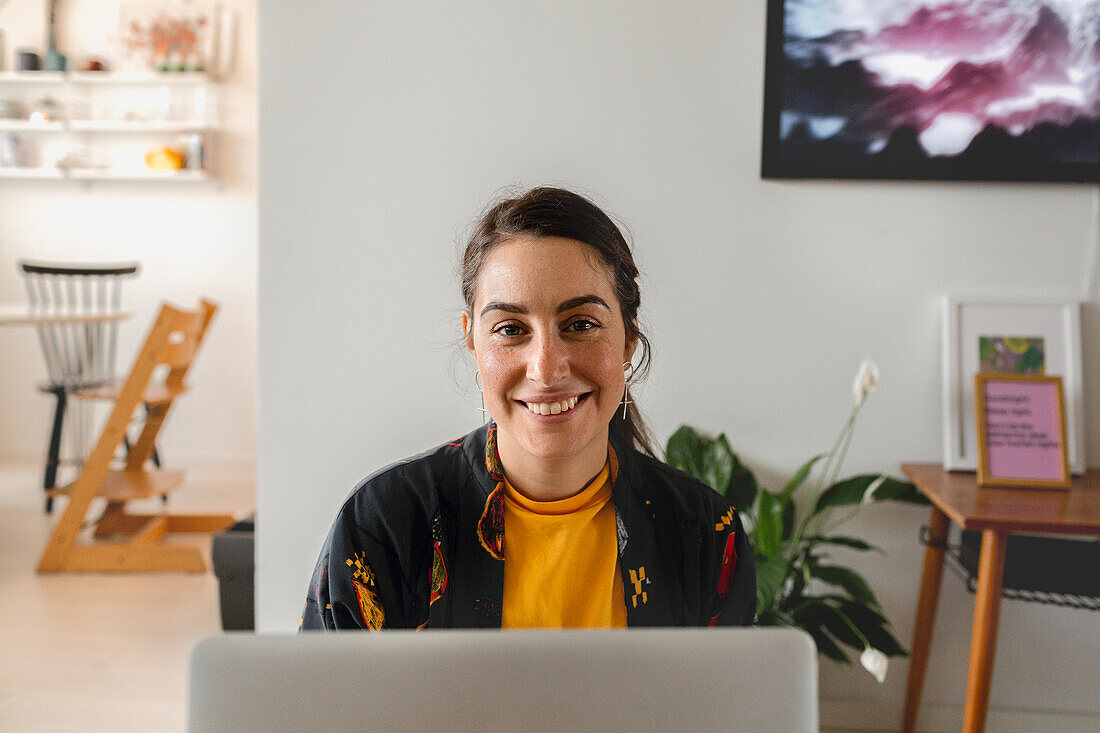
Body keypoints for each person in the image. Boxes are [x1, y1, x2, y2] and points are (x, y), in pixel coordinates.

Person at [300, 186, 755, 630]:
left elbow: (733, 707)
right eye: (511, 329)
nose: (545, 369)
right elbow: (326, 705)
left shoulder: (703, 533)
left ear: (629, 339)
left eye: (580, 324)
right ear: (472, 340)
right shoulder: (385, 523)